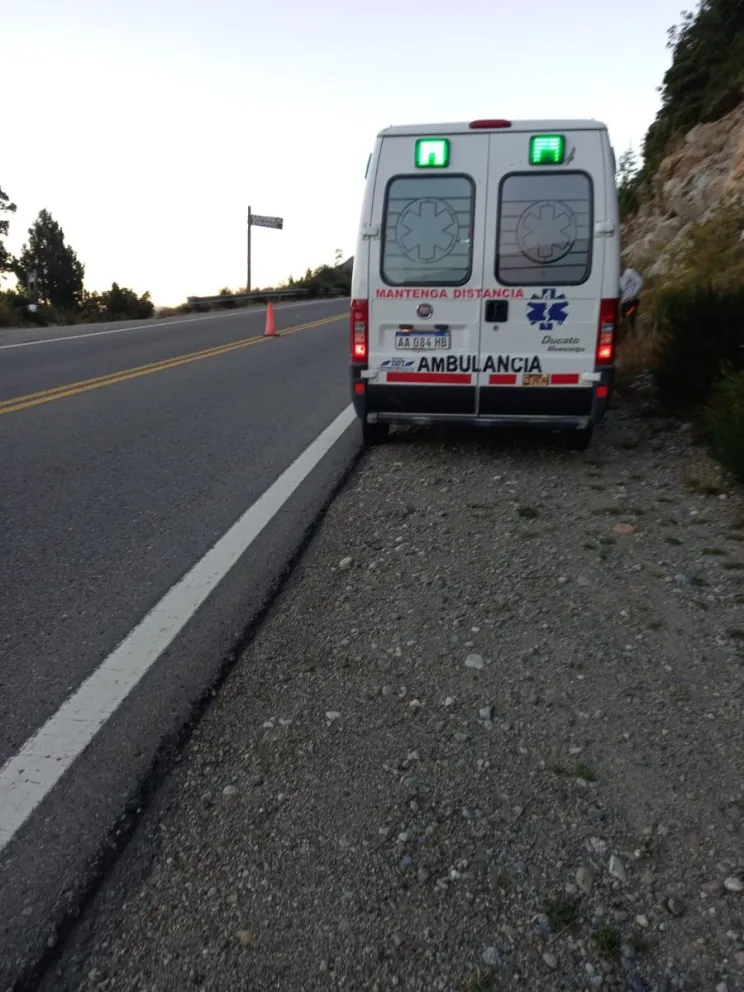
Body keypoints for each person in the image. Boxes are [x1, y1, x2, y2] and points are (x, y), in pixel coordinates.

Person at [619, 265, 643, 332]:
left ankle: (635, 335)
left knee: (631, 318)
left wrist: (633, 295)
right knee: (624, 319)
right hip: (624, 302)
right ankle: (631, 336)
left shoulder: (629, 272)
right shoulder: (618, 278)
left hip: (632, 300)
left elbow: (639, 282)